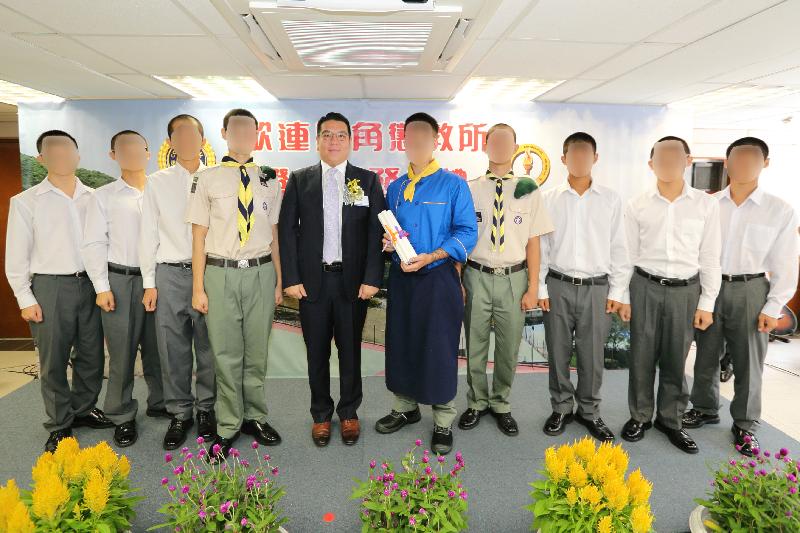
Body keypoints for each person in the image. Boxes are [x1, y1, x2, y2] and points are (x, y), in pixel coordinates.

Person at [684, 137, 799, 456]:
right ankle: (705, 408)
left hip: (751, 290)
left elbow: (785, 262)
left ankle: (746, 424)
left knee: (749, 360)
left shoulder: (780, 210)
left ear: (765, 163)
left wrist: (774, 304)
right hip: (710, 286)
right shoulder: (708, 204)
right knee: (705, 352)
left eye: (752, 159)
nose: (744, 164)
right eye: (738, 158)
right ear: (728, 162)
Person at [279, 112, 386, 447]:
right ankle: (321, 415)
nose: (334, 141)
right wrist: (292, 278)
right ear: (317, 141)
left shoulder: (366, 181)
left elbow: (376, 232)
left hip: (353, 284)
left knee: (350, 351)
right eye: (327, 135)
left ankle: (349, 412)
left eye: (341, 135)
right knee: (316, 354)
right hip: (312, 284)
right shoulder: (300, 179)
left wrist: (372, 278)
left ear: (351, 141)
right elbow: (286, 231)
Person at [376, 112, 478, 455]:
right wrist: (390, 244)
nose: (416, 143)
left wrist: (433, 256)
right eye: (410, 138)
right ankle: (405, 407)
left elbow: (467, 232)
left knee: (439, 348)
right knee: (402, 343)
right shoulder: (395, 187)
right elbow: (393, 232)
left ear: (436, 141)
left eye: (423, 137)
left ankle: (443, 420)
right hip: (404, 281)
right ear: (402, 142)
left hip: (439, 279)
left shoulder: (453, 185)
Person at [5, 130, 113, 452]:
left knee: (92, 355)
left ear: (78, 156)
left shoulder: (95, 197)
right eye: (54, 151)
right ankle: (59, 422)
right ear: (42, 158)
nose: (62, 156)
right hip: (50, 286)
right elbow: (16, 255)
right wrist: (25, 297)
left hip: (91, 284)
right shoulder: (26, 202)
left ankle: (83, 408)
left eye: (68, 150)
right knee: (53, 359)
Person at [187, 108, 283, 458]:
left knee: (256, 352)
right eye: (237, 128)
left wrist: (278, 281)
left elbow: (274, 235)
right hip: (220, 272)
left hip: (260, 272)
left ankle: (255, 416)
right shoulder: (207, 178)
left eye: (250, 129)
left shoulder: (270, 178)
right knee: (225, 355)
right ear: (224, 132)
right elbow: (198, 236)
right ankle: (228, 424)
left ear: (257, 134)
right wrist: (198, 287)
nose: (243, 134)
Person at [621, 136, 721, 454]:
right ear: (651, 164)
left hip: (685, 290)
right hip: (644, 286)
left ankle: (671, 419)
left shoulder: (706, 205)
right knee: (641, 357)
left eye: (674, 157)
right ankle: (639, 416)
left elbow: (710, 257)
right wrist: (622, 295)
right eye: (660, 158)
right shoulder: (637, 204)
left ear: (687, 161)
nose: (667, 163)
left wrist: (707, 301)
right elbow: (626, 254)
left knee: (677, 358)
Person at [458, 123, 553, 436]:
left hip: (514, 277)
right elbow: (461, 235)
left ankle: (500, 403)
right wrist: (459, 278)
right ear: (485, 146)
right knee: (475, 343)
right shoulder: (470, 189)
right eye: (494, 141)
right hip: (476, 274)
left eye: (506, 141)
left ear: (515, 148)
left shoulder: (528, 188)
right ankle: (476, 402)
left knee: (509, 346)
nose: (499, 146)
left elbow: (534, 242)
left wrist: (534, 286)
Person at [537, 132, 631, 442]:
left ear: (595, 158)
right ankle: (562, 407)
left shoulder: (611, 200)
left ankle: (589, 411)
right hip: (558, 285)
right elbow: (542, 248)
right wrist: (539, 288)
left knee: (592, 355)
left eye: (585, 154)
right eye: (573, 154)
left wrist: (618, 293)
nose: (579, 159)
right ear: (563, 159)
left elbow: (620, 248)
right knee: (559, 352)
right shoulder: (548, 199)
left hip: (596, 288)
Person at [81, 130, 165, 447]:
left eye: (137, 148)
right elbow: (92, 243)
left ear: (148, 152)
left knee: (160, 349)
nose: (131, 153)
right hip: (121, 280)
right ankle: (121, 415)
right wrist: (102, 287)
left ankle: (162, 403)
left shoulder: (162, 190)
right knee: (122, 351)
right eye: (123, 149)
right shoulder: (102, 197)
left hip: (160, 278)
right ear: (113, 155)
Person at [140, 114, 216, 450]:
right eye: (179, 134)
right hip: (168, 272)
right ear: (170, 142)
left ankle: (207, 410)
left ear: (203, 140)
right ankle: (180, 412)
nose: (186, 139)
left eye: (192, 134)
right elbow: (148, 234)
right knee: (173, 348)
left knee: (209, 346)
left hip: (211, 272)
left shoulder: (217, 178)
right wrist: (148, 282)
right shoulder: (156, 182)